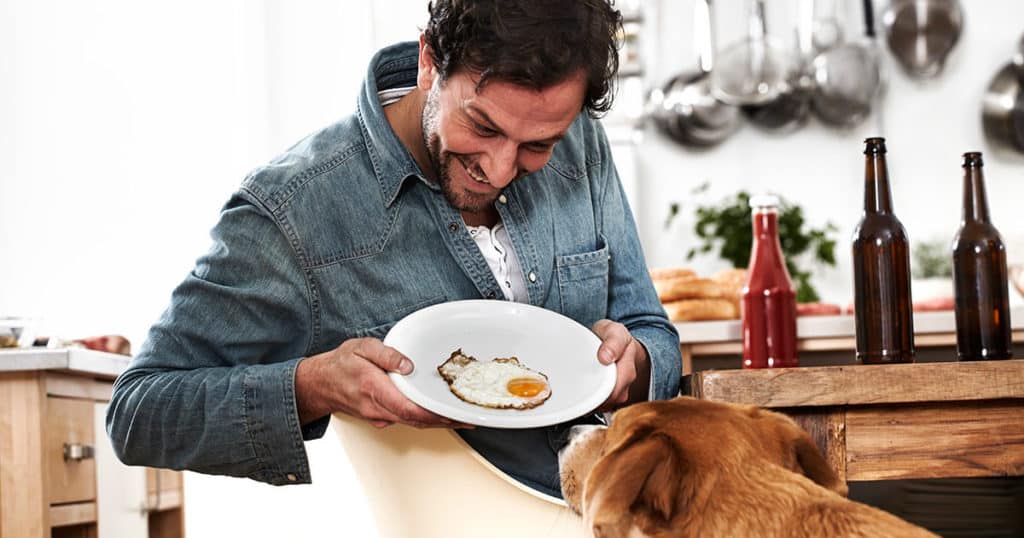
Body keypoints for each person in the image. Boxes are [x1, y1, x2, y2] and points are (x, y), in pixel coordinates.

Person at [106, 0, 681, 499]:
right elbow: (139, 412)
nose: (501, 168)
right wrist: (312, 385)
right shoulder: (294, 209)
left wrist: (636, 365)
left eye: (536, 146)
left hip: (614, 506)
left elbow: (650, 331)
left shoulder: (578, 138)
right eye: (482, 126)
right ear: (430, 61)